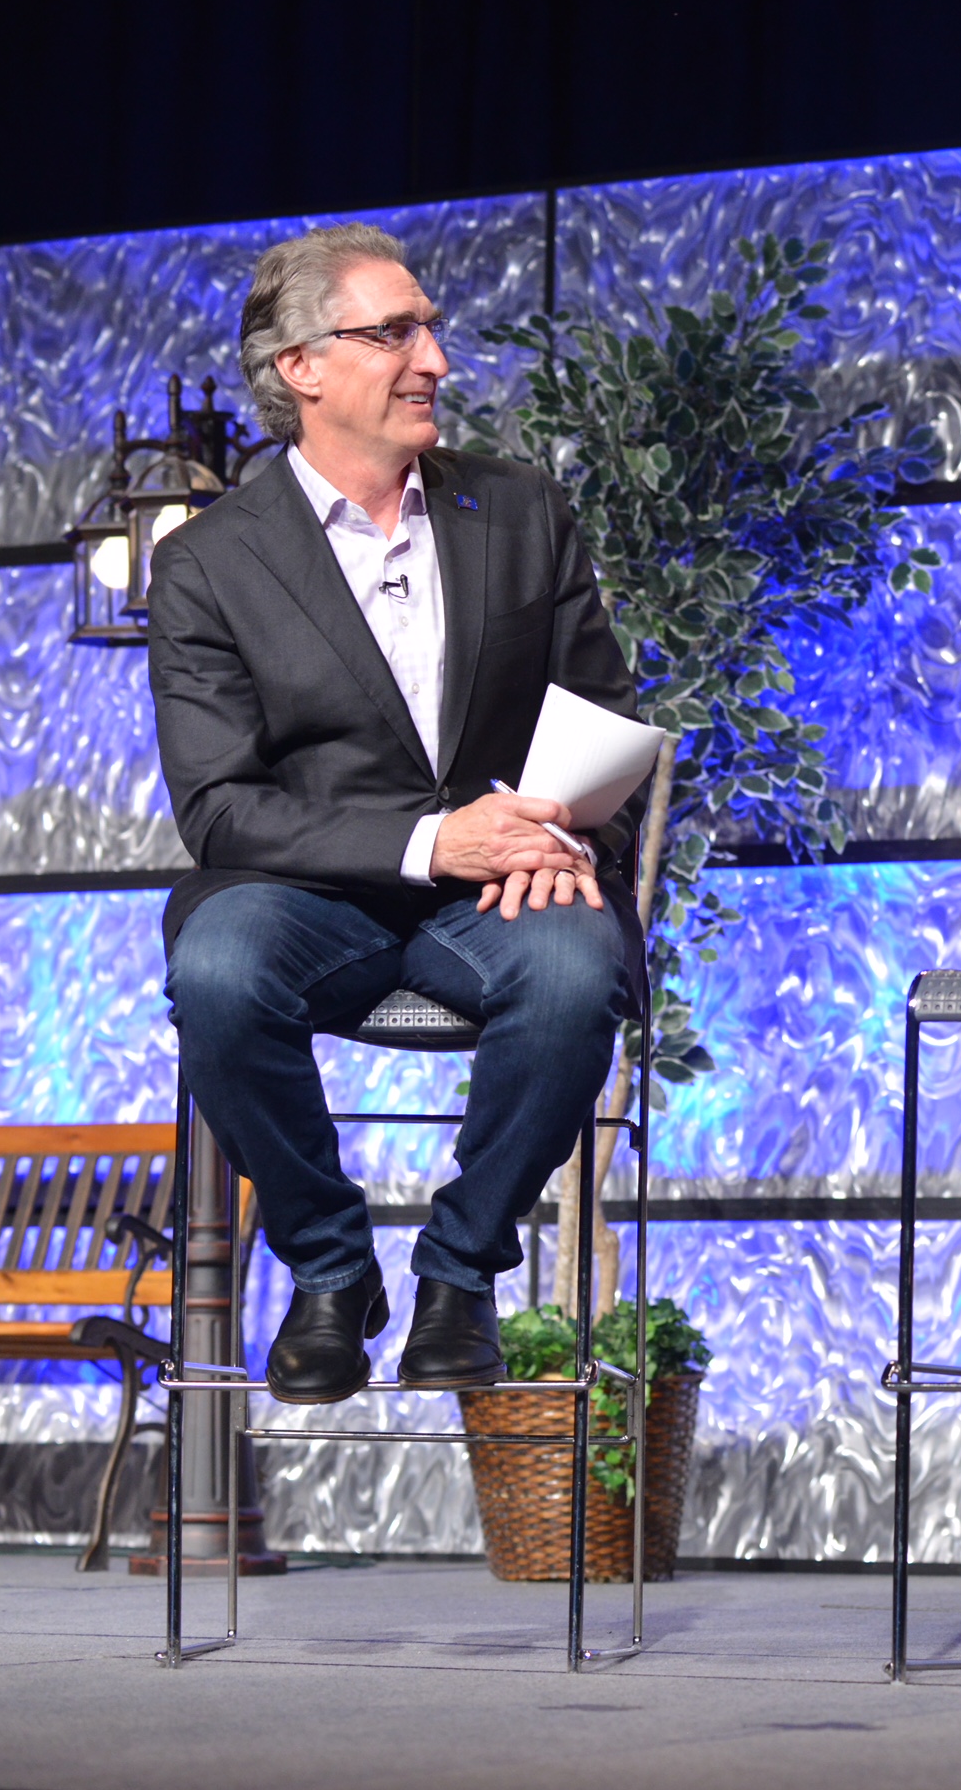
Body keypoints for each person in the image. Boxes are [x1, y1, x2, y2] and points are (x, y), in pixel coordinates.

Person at [150, 223, 647, 1405]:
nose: (434, 357)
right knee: (215, 971)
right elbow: (219, 807)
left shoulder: (520, 511)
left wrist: (562, 834)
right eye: (394, 332)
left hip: (503, 884)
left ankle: (460, 1271)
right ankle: (330, 1270)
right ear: (302, 368)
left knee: (579, 970)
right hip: (309, 895)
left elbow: (604, 712)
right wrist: (433, 839)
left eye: (430, 327)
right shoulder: (208, 566)